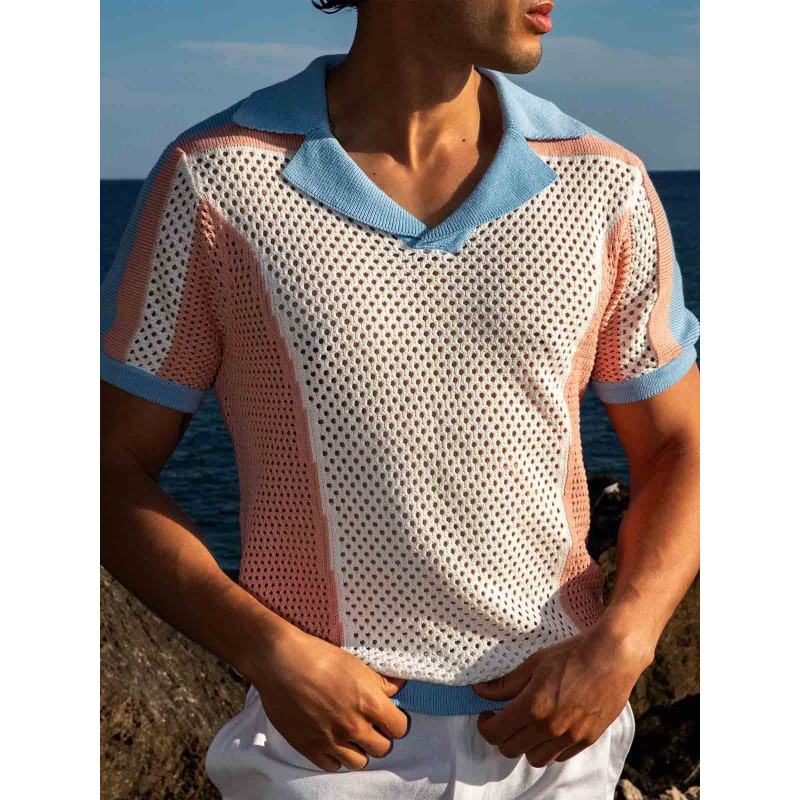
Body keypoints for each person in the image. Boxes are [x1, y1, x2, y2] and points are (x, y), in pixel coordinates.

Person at [100, 1, 700, 798]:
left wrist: (626, 641)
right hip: (317, 756)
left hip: (557, 748)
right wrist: (262, 647)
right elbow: (107, 465)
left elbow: (683, 446)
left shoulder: (602, 184)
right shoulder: (216, 180)